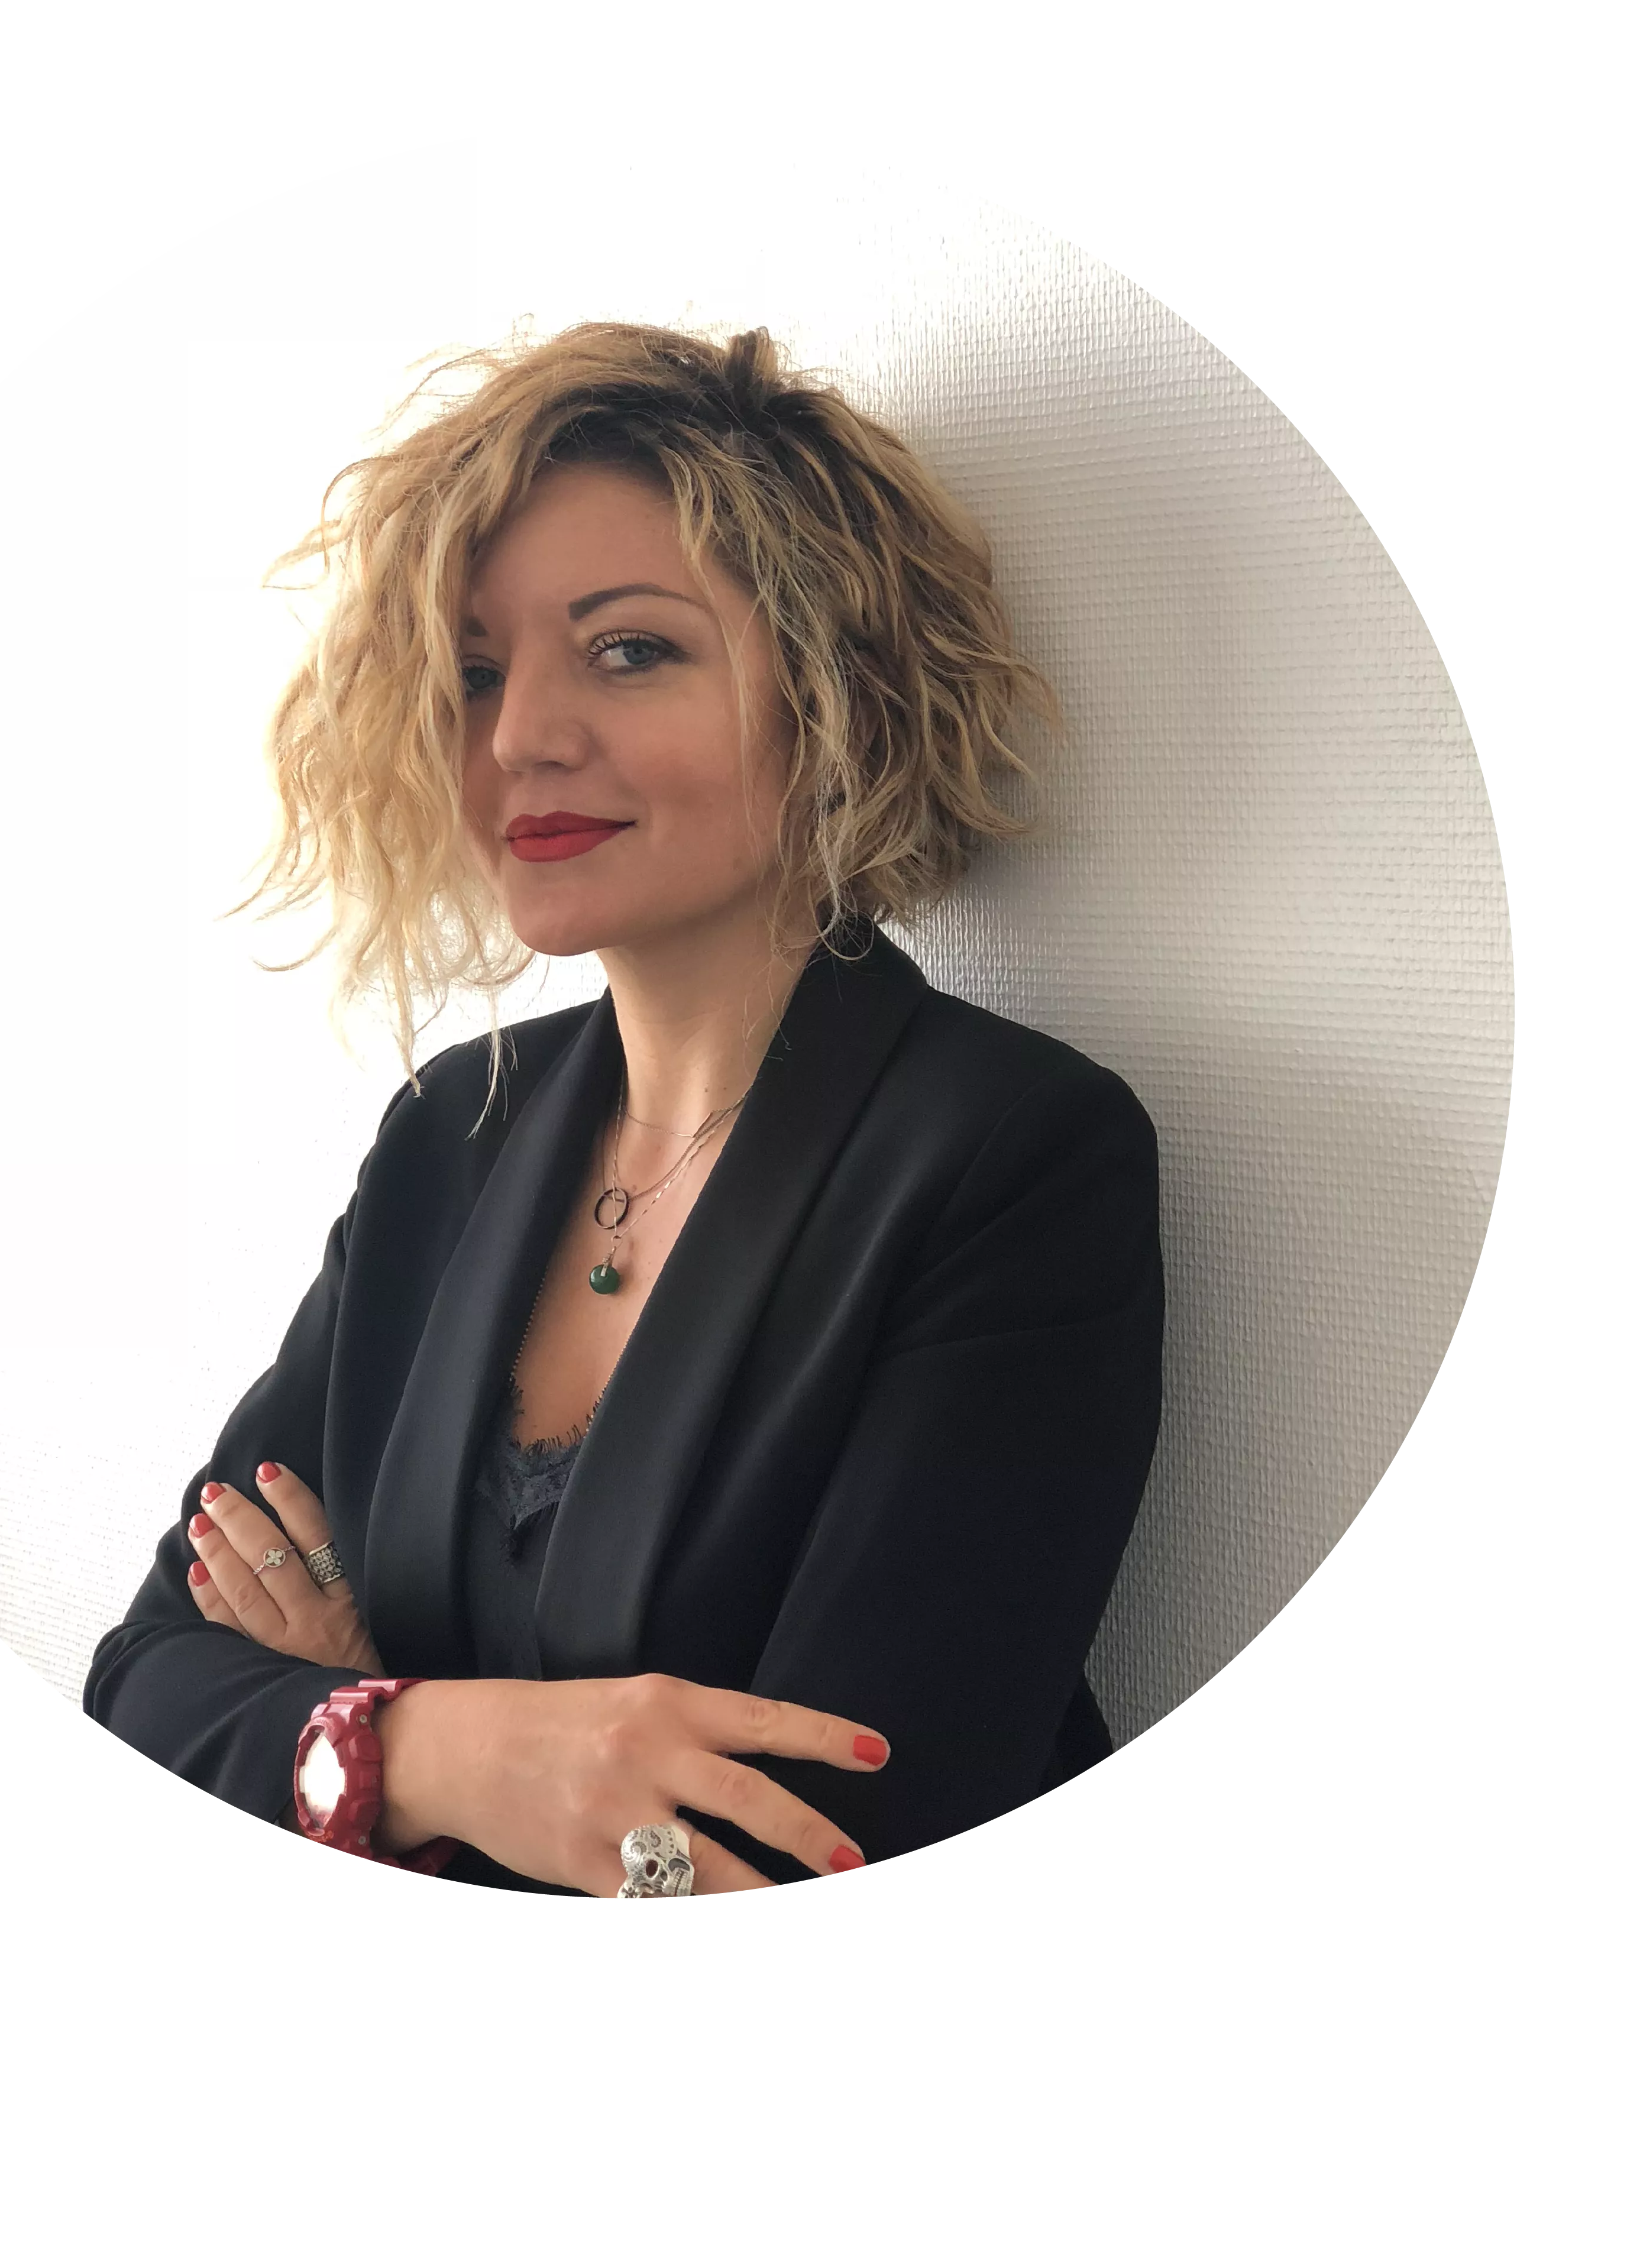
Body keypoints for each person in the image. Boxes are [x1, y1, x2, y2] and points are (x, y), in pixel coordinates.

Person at [83, 319, 1165, 1898]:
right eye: (474, 672)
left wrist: (346, 1722)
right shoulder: (449, 1135)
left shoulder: (1011, 1160)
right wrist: (438, 1751)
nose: (519, 736)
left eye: (630, 650)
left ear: (835, 689)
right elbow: (144, 1684)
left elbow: (826, 1855)